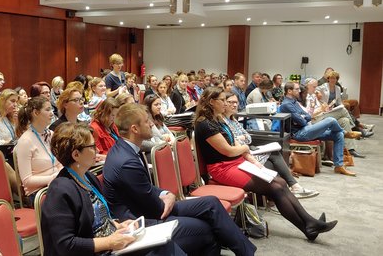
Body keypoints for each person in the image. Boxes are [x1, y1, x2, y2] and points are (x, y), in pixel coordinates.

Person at [103, 103, 256, 255]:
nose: (151, 123)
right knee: (207, 228)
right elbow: (155, 208)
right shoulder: (126, 162)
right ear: (134, 129)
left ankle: (247, 252)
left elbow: (146, 189)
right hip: (139, 221)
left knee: (212, 203)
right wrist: (167, 198)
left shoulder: (126, 149)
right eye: (146, 121)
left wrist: (165, 194)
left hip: (151, 207)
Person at [195, 86, 338, 241]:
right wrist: (244, 148)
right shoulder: (206, 125)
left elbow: (235, 143)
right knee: (275, 188)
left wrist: (250, 157)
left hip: (236, 162)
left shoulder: (219, 119)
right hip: (222, 169)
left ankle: (309, 223)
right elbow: (229, 150)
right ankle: (309, 226)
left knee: (281, 182)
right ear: (211, 102)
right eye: (222, 100)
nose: (225, 103)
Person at [42, 122, 186, 256]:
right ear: (76, 155)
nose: (97, 149)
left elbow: (100, 219)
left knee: (165, 244)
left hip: (111, 245)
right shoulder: (60, 190)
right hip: (99, 251)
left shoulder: (88, 177)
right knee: (164, 249)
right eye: (92, 147)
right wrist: (110, 242)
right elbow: (65, 244)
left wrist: (118, 225)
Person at [223, 92, 318, 199]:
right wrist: (242, 139)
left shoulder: (233, 119)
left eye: (236, 102)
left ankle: (288, 189)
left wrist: (242, 138)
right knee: (273, 156)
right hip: (240, 157)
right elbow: (234, 141)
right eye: (231, 102)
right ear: (224, 104)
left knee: (273, 155)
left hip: (246, 151)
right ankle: (290, 188)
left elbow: (248, 138)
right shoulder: (223, 122)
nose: (235, 105)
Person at [280, 82, 356, 176]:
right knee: (330, 120)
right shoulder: (286, 104)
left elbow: (307, 116)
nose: (299, 91)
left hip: (306, 128)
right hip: (299, 134)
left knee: (338, 135)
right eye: (296, 89)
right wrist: (303, 117)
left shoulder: (294, 102)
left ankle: (338, 166)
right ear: (289, 91)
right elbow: (302, 121)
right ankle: (344, 132)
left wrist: (303, 117)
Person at [14, 97, 62, 207]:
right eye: (48, 110)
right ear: (36, 112)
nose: (52, 113)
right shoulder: (25, 141)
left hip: (56, 184)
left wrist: (60, 175)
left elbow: (60, 163)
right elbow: (27, 181)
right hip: (38, 192)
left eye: (51, 109)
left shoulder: (51, 134)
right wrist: (52, 178)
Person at [302, 78, 364, 158]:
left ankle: (350, 149)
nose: (315, 89)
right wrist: (321, 109)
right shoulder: (304, 97)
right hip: (315, 119)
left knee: (344, 120)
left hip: (322, 115)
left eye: (316, 86)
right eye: (314, 87)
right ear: (307, 86)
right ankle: (355, 128)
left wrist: (326, 108)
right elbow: (308, 114)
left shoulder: (314, 95)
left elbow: (319, 106)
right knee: (342, 109)